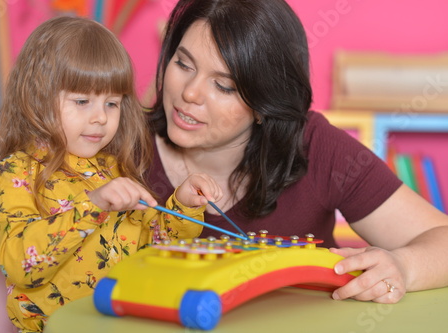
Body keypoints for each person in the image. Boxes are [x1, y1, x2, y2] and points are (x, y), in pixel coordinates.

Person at [146, 0, 448, 305]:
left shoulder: (315, 146)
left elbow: (442, 238)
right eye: (183, 64)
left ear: (266, 103)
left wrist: (404, 267)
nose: (189, 93)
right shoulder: (117, 142)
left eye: (224, 86)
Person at [0, 16, 222, 333]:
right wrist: (92, 205)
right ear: (37, 97)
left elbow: (151, 248)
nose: (100, 118)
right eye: (81, 101)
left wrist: (184, 206)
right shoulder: (16, 171)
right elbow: (23, 263)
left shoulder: (111, 168)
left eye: (111, 103)